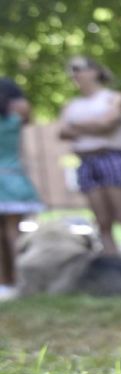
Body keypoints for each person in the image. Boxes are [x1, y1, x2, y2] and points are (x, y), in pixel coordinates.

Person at [58, 56, 121, 255]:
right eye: (71, 70)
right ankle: (112, 266)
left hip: (115, 158)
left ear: (95, 71)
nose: (74, 73)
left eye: (78, 68)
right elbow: (63, 132)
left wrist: (76, 126)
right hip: (86, 162)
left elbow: (108, 123)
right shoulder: (71, 105)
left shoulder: (113, 97)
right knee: (102, 221)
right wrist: (95, 125)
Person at [0, 78, 45, 296]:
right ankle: (21, 280)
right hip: (14, 179)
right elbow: (27, 111)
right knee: (14, 233)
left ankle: (4, 281)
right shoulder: (14, 121)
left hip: (6, 181)